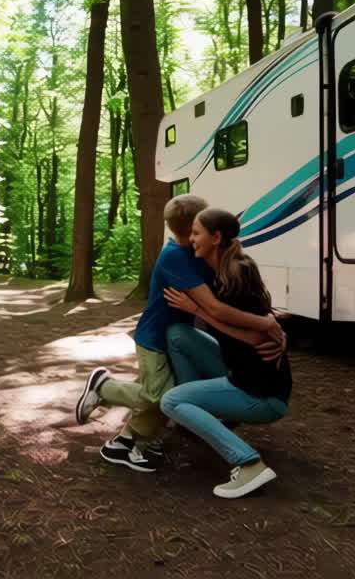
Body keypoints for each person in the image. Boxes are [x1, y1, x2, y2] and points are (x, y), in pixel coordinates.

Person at [73, 195, 285, 472]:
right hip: (154, 339)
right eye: (197, 228)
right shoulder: (174, 256)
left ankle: (134, 440)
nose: (199, 234)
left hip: (176, 336)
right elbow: (213, 307)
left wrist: (272, 323)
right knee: (159, 397)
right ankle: (104, 387)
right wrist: (267, 325)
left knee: (167, 393)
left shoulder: (196, 252)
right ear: (190, 228)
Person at [160, 207, 292, 498]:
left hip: (261, 395)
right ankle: (200, 421)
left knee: (171, 401)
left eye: (196, 233)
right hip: (246, 374)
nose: (190, 239)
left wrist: (197, 310)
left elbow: (256, 336)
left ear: (216, 237)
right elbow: (246, 327)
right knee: (179, 335)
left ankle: (248, 464)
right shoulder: (227, 269)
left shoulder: (236, 276)